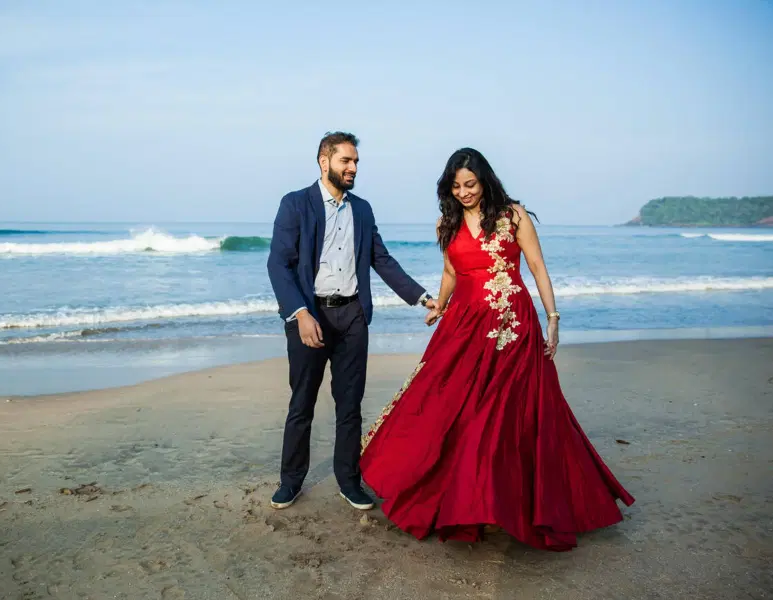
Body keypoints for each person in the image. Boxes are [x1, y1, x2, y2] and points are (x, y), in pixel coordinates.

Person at [358, 147, 635, 551]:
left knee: (506, 415)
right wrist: (440, 304)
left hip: (511, 325)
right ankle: (465, 499)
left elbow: (537, 266)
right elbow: (452, 269)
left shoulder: (513, 215)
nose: (464, 192)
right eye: (455, 186)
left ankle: (503, 503)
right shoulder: (446, 223)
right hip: (463, 324)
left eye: (469, 184)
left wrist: (553, 319)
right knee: (449, 405)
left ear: (484, 179)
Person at [266, 131, 438, 511]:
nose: (353, 168)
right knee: (302, 403)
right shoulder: (295, 204)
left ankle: (349, 480)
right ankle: (291, 481)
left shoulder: (362, 209)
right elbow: (279, 264)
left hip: (353, 317)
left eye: (356, 161)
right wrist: (301, 314)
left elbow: (382, 260)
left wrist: (423, 297)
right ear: (324, 161)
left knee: (350, 405)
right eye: (346, 160)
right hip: (310, 315)